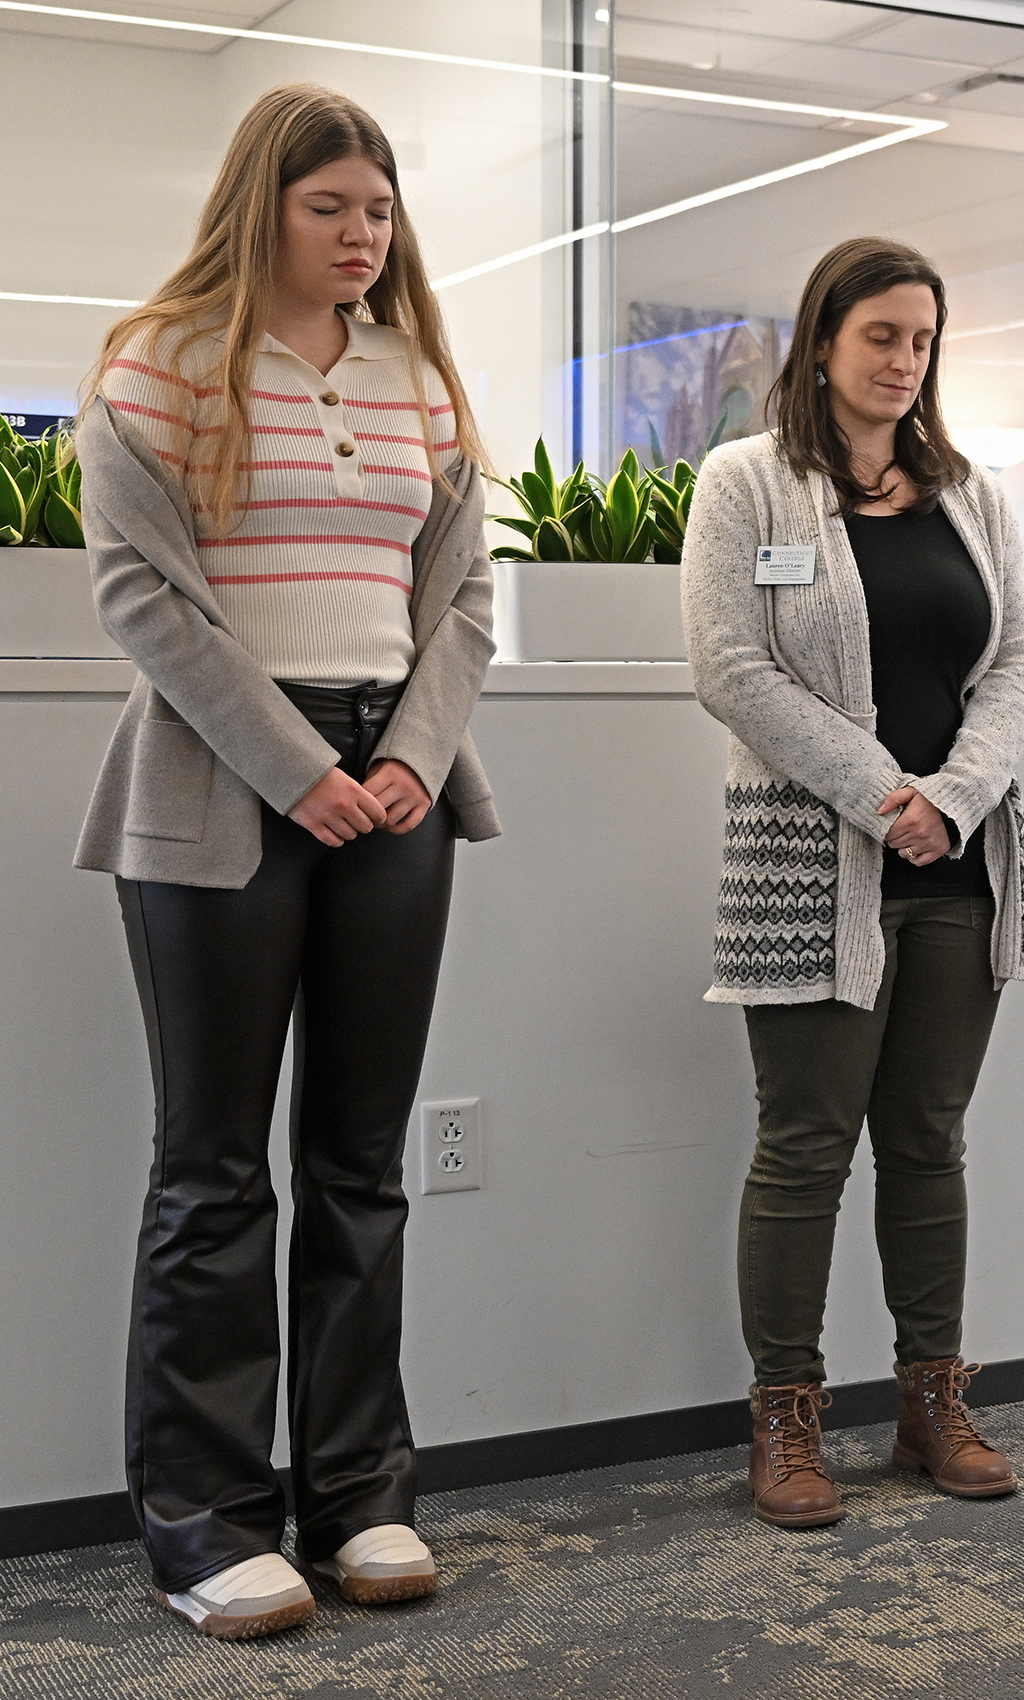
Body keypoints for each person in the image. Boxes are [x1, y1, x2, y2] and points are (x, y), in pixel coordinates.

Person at [75, 85, 497, 1638]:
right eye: (331, 207)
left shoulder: (419, 376)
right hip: (220, 788)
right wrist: (300, 770)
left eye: (378, 210)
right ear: (263, 204)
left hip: (400, 787)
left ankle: (362, 1496)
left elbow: (461, 604)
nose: (362, 234)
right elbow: (146, 600)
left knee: (361, 1168)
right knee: (209, 1174)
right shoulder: (162, 362)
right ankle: (202, 1521)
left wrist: (402, 763)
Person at [682, 237, 1024, 1529]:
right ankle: (787, 1420)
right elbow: (731, 668)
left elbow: (1013, 671)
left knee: (929, 1143)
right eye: (881, 335)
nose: (903, 361)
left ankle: (931, 1403)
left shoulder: (972, 497)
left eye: (923, 340)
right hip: (805, 862)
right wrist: (879, 792)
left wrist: (948, 803)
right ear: (823, 338)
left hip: (962, 863)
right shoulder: (747, 485)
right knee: (805, 1145)